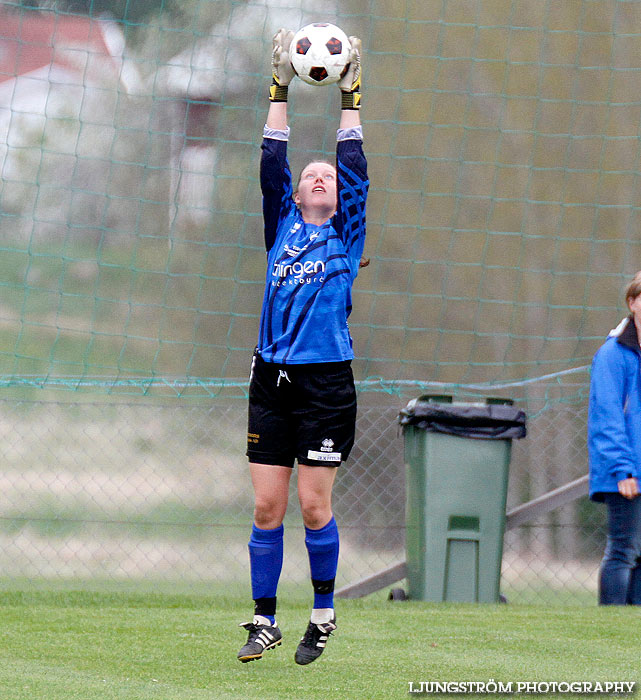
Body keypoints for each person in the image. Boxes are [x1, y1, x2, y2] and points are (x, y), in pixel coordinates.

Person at [237, 28, 367, 664]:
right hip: (272, 379)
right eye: (309, 175)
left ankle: (322, 612)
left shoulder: (347, 237)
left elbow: (353, 164)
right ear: (293, 196)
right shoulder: (281, 227)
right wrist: (280, 87)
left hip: (325, 384)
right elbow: (270, 159)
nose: (319, 177)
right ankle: (264, 620)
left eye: (327, 176)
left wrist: (351, 97)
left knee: (314, 508)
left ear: (340, 198)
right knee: (268, 505)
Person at [588, 271, 641, 604]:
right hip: (625, 473)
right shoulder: (612, 355)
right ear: (632, 302)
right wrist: (623, 470)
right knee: (623, 551)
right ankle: (610, 624)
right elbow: (606, 417)